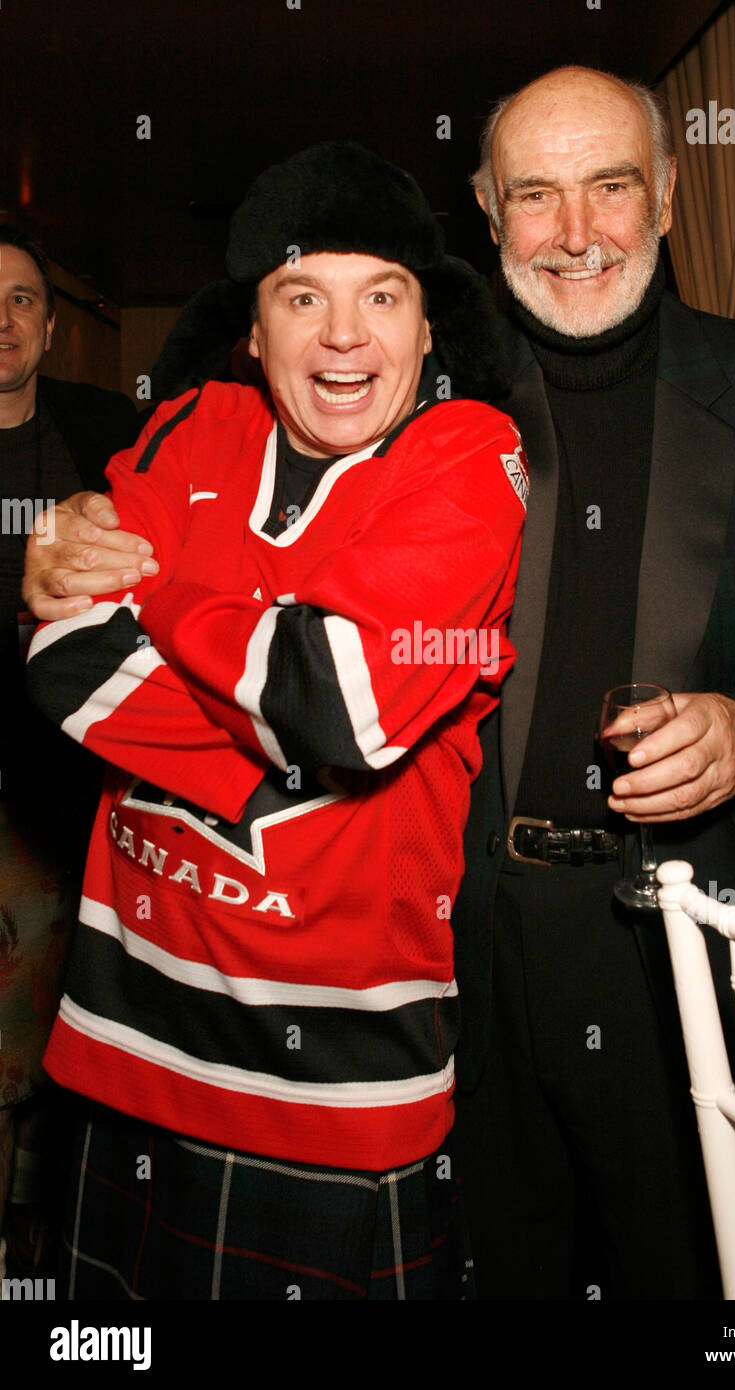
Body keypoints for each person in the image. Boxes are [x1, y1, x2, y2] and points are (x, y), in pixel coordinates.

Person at [23, 70, 735, 1301]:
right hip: (459, 946)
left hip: (682, 939)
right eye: (534, 194)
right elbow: (238, 556)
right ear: (487, 216)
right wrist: (69, 533)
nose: (575, 230)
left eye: (610, 186)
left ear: (670, 199)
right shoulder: (426, 407)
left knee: (695, 1275)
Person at [23, 141, 527, 1300]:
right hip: (122, 1049)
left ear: (428, 326)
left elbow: (338, 702)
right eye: (303, 297)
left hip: (338, 1101)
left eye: (381, 297)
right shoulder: (193, 425)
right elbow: (59, 660)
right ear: (253, 332)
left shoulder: (470, 454)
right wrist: (264, 715)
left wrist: (149, 593)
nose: (343, 336)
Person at [0, 226, 138, 1278]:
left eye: (20, 300)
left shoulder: (110, 439)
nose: (1, 320)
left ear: (51, 326)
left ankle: (40, 1247)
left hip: (65, 796)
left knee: (57, 1032)